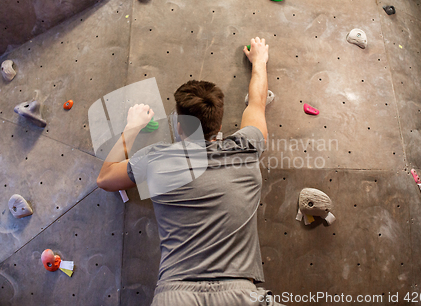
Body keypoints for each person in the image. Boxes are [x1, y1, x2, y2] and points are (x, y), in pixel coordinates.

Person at [97, 37, 284, 306]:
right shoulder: (247, 145)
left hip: (176, 294)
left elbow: (105, 178)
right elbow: (256, 103)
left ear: (180, 128)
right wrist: (260, 62)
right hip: (242, 294)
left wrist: (132, 126)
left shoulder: (156, 160)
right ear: (218, 125)